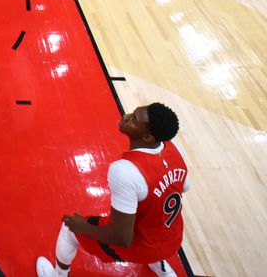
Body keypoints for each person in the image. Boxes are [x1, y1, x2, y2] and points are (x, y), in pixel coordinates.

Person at [36, 103, 189, 277]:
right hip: (173, 239)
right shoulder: (175, 149)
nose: (126, 116)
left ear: (147, 137)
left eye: (134, 119)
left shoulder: (125, 170)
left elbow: (121, 238)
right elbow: (184, 186)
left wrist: (83, 227)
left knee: (69, 229)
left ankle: (58, 275)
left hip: (143, 246)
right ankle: (162, 269)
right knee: (152, 212)